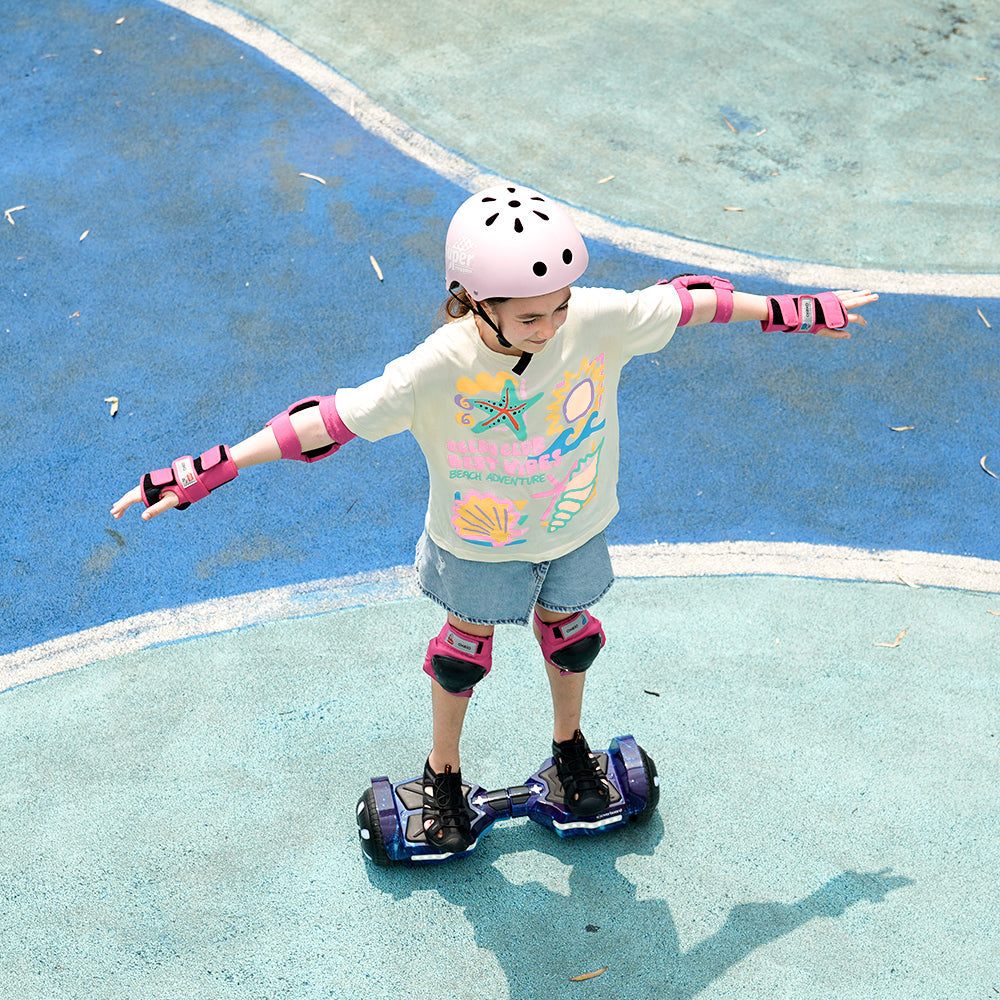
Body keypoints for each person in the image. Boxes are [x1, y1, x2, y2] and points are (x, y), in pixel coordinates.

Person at [111, 183, 877, 855]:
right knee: (461, 656)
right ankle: (442, 778)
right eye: (534, 316)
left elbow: (692, 301)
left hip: (573, 527)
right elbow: (326, 422)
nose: (554, 326)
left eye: (561, 307)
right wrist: (211, 469)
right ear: (473, 302)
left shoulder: (592, 322)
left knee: (572, 637)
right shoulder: (437, 367)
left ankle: (570, 750)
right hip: (478, 544)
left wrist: (796, 311)